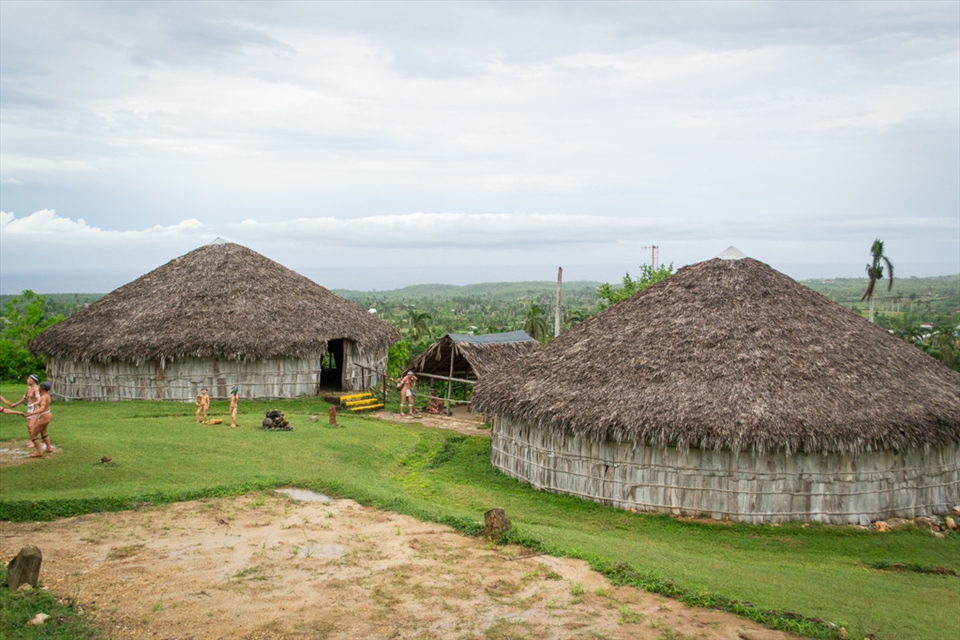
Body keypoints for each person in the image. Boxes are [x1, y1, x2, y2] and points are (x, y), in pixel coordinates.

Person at [24, 381, 53, 457]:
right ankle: (49, 448)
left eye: (40, 387)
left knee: (33, 435)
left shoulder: (43, 397)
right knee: (43, 433)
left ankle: (39, 452)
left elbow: (42, 408)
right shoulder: (46, 396)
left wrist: (32, 413)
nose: (38, 388)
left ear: (42, 389)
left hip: (44, 416)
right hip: (47, 415)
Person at [9, 374, 40, 444]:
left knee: (31, 425)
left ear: (34, 381)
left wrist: (40, 405)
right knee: (28, 425)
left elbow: (38, 398)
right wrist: (15, 404)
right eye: (28, 378)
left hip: (35, 408)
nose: (27, 380)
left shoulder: (36, 389)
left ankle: (34, 442)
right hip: (30, 407)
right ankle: (33, 440)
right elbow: (24, 399)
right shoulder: (28, 388)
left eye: (29, 379)